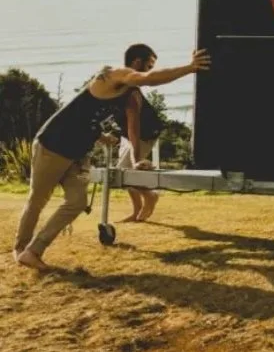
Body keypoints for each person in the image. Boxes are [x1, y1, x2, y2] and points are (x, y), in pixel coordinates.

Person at [13, 44, 211, 271]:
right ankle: (20, 250)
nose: (148, 70)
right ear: (136, 64)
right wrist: (189, 68)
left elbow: (126, 125)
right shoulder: (114, 74)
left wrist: (127, 153)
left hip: (77, 153)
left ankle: (33, 251)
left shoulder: (129, 96)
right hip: (53, 145)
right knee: (38, 200)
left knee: (77, 203)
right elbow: (148, 79)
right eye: (147, 65)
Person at [116, 67, 165, 222]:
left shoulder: (131, 96)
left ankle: (150, 196)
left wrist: (135, 158)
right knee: (125, 173)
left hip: (144, 133)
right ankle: (137, 210)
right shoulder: (108, 96)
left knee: (125, 172)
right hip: (128, 134)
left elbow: (134, 129)